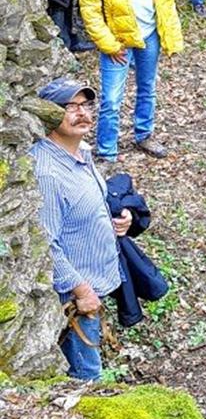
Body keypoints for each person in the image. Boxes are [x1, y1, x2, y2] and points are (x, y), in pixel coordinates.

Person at [30, 79, 132, 381]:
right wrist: (82, 291)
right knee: (88, 378)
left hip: (94, 287)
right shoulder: (46, 172)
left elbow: (87, 203)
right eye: (69, 107)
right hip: (75, 299)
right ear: (49, 115)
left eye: (86, 106)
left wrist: (118, 221)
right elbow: (46, 243)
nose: (82, 114)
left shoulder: (81, 152)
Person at [78, 0, 183, 163]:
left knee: (147, 88)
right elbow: (89, 9)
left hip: (149, 35)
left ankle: (144, 134)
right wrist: (109, 44)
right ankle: (107, 150)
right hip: (117, 41)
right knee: (112, 99)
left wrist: (169, 34)